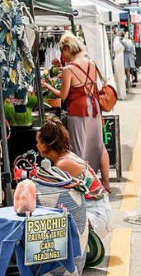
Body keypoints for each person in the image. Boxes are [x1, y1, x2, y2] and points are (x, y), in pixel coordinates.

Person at [42, 32, 111, 190]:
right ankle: (102, 182)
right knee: (97, 145)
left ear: (67, 48)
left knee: (79, 147)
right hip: (94, 107)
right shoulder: (91, 63)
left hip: (78, 109)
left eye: (62, 50)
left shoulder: (69, 69)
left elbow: (63, 95)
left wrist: (48, 86)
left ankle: (82, 183)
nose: (61, 54)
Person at [36, 117, 111, 238]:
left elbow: (52, 194)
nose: (37, 145)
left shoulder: (62, 164)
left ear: (45, 145)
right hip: (98, 211)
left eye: (38, 142)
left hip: (97, 216)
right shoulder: (65, 157)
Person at [112, 34, 127, 100]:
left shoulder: (116, 43)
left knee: (118, 77)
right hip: (119, 61)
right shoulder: (118, 43)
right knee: (119, 77)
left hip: (118, 60)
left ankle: (119, 92)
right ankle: (120, 92)